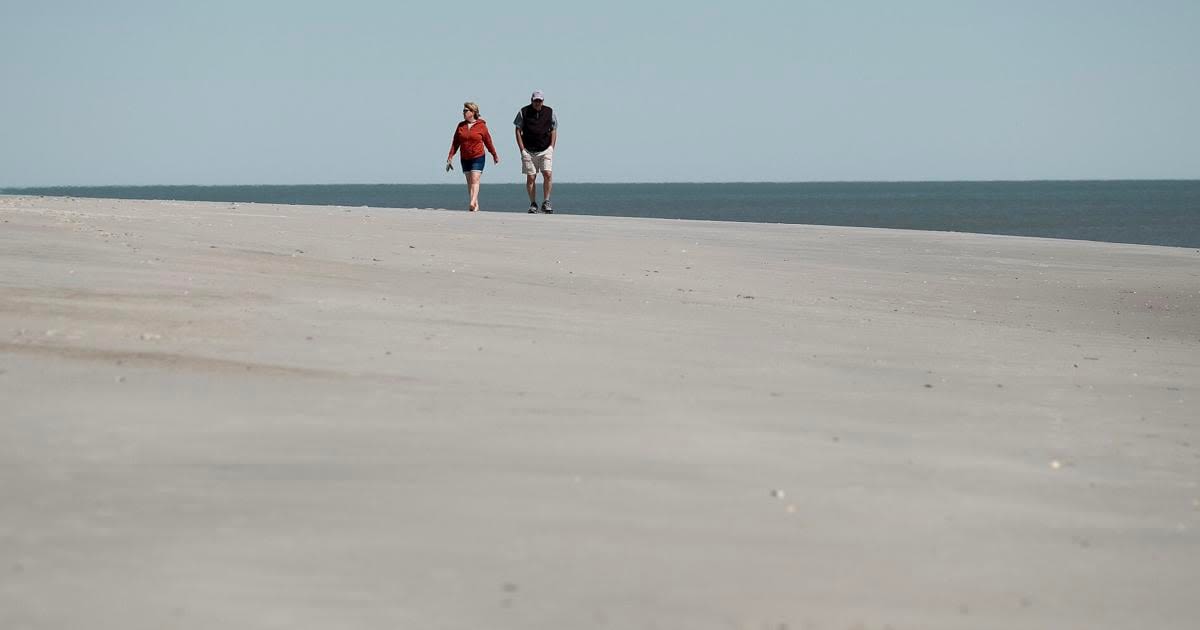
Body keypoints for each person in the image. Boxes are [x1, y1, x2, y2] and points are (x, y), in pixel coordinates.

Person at [446, 102, 499, 212]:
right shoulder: (461, 126)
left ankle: (472, 202)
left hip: (478, 156)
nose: (463, 112)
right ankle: (476, 205)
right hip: (465, 157)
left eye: (466, 111)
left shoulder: (481, 126)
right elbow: (455, 143)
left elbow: (488, 141)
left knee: (475, 179)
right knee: (470, 181)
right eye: (463, 111)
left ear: (473, 112)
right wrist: (450, 156)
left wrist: (494, 154)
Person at [514, 90, 557, 213]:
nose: (538, 103)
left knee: (547, 173)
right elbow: (517, 130)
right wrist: (522, 149)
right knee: (531, 177)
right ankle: (533, 203)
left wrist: (551, 147)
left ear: (543, 101)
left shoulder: (550, 112)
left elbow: (554, 128)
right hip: (528, 150)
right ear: (531, 100)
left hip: (545, 149)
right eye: (535, 100)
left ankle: (547, 201)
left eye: (540, 100)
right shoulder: (523, 112)